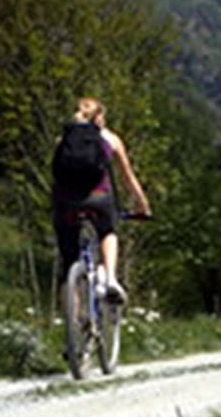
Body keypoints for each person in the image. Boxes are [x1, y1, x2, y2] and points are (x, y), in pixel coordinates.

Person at [51, 97, 152, 304]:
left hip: (65, 201)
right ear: (99, 117)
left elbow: (57, 173)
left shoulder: (63, 139)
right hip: (99, 197)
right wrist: (143, 206)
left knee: (68, 265)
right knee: (107, 231)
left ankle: (73, 318)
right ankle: (111, 279)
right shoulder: (111, 139)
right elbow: (128, 178)